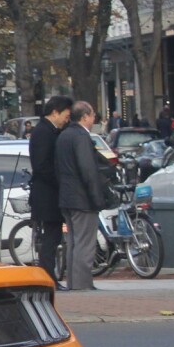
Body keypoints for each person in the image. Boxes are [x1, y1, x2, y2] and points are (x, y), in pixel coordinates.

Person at [55, 100, 105, 292]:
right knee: (85, 242)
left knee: (74, 242)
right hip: (82, 198)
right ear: (85, 116)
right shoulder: (81, 137)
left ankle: (75, 283)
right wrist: (96, 197)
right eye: (92, 115)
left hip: (67, 197)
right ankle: (82, 285)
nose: (94, 119)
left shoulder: (64, 136)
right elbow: (88, 170)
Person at [28, 95, 72, 287]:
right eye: (65, 115)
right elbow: (42, 166)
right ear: (55, 112)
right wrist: (60, 183)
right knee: (50, 239)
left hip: (48, 194)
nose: (67, 120)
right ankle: (48, 278)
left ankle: (50, 276)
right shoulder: (44, 133)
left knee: (52, 238)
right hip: (47, 195)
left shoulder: (48, 130)